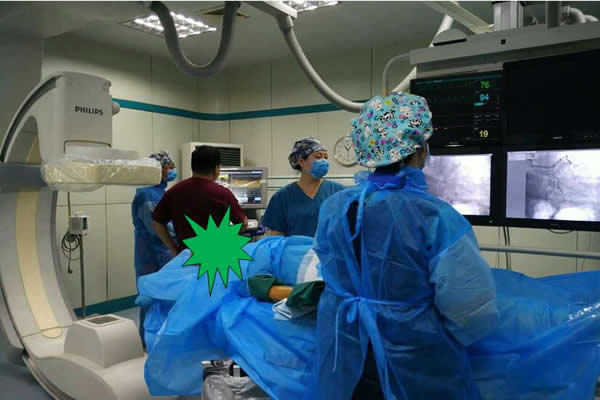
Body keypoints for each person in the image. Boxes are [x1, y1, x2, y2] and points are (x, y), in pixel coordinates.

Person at [308, 93, 500, 400]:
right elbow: (472, 312)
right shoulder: (435, 217)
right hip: (416, 362)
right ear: (420, 149)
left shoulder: (334, 207)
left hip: (346, 355)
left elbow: (327, 271)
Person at [152, 145, 248, 256]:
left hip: (185, 257)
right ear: (216, 169)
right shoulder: (223, 194)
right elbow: (243, 224)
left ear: (193, 167)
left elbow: (157, 222)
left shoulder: (174, 191)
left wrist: (173, 248)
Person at [131, 150, 177, 347]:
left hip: (164, 251)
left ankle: (161, 339)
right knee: (151, 296)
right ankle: (149, 341)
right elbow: (157, 227)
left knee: (166, 295)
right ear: (157, 170)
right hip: (152, 252)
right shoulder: (147, 194)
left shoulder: (159, 193)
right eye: (168, 168)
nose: (172, 171)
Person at [262, 137, 345, 237]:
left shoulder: (339, 192)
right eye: (318, 157)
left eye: (326, 157)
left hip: (330, 247)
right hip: (296, 247)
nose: (324, 161)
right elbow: (276, 237)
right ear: (301, 162)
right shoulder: (282, 197)